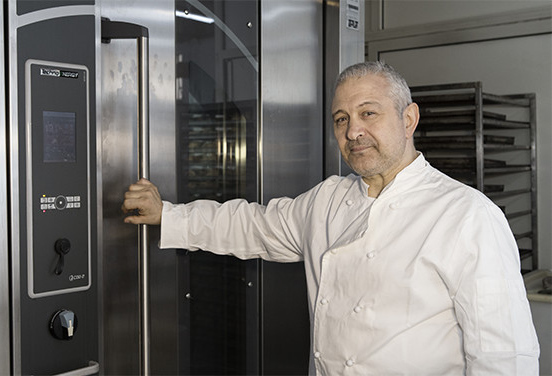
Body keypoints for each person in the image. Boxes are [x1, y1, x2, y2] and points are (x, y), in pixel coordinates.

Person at [122, 61, 540, 375]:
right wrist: (168, 215)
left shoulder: (466, 215)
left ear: (408, 119)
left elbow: (504, 357)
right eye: (342, 119)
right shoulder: (328, 199)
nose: (353, 131)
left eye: (368, 113)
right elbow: (253, 226)